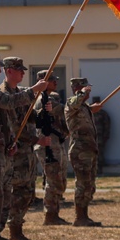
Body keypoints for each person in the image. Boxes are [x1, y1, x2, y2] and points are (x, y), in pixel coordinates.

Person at [1, 57, 48, 240]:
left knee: (27, 192)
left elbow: (30, 119)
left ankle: (17, 229)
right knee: (17, 192)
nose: (22, 73)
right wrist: (36, 140)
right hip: (15, 151)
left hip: (26, 152)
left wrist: (44, 113)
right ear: (9, 70)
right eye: (19, 70)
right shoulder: (4, 94)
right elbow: (14, 126)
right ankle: (12, 229)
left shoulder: (21, 92)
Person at [65, 78, 103, 226]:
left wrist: (92, 108)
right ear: (78, 89)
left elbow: (83, 108)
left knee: (89, 184)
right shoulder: (71, 103)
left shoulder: (84, 107)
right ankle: (79, 217)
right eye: (86, 89)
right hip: (80, 151)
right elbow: (74, 104)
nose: (89, 92)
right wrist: (82, 93)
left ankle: (84, 215)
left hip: (90, 149)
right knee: (82, 184)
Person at [36, 72, 70, 226]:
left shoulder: (50, 99)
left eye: (56, 79)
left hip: (55, 143)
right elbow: (66, 110)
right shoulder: (43, 100)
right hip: (48, 144)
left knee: (59, 179)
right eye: (51, 80)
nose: (55, 82)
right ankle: (50, 215)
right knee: (53, 179)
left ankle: (54, 213)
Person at [92, 97, 111, 175]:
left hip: (100, 137)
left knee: (100, 154)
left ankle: (99, 170)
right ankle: (93, 171)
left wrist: (106, 136)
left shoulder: (103, 114)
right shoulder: (89, 113)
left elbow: (107, 125)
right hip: (91, 137)